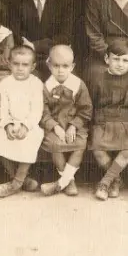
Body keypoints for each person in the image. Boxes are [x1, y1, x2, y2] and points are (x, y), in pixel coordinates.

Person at [90, 37, 128, 201]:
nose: (120, 64)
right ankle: (116, 180)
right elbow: (92, 103)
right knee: (97, 150)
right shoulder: (98, 79)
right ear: (107, 59)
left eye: (125, 60)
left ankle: (105, 182)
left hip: (127, 121)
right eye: (116, 59)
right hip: (103, 120)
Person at [0, 45, 46, 197]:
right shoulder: (5, 84)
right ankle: (20, 179)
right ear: (9, 64)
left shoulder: (36, 84)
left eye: (25, 65)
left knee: (30, 140)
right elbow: (3, 108)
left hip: (30, 124)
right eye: (16, 64)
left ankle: (15, 184)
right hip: (10, 122)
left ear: (33, 66)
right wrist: (8, 124)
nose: (20, 68)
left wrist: (26, 126)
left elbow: (37, 110)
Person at [39, 45, 93, 197]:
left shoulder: (78, 84)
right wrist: (54, 126)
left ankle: (61, 183)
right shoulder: (46, 86)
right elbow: (43, 111)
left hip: (74, 124)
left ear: (72, 66)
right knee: (55, 144)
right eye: (56, 66)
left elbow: (86, 109)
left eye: (65, 66)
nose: (60, 70)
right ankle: (69, 181)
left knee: (80, 144)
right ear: (49, 65)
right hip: (54, 124)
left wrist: (73, 126)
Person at [12, 0, 73, 77]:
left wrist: (35, 45)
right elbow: (16, 34)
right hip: (26, 59)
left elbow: (65, 36)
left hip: (55, 58)